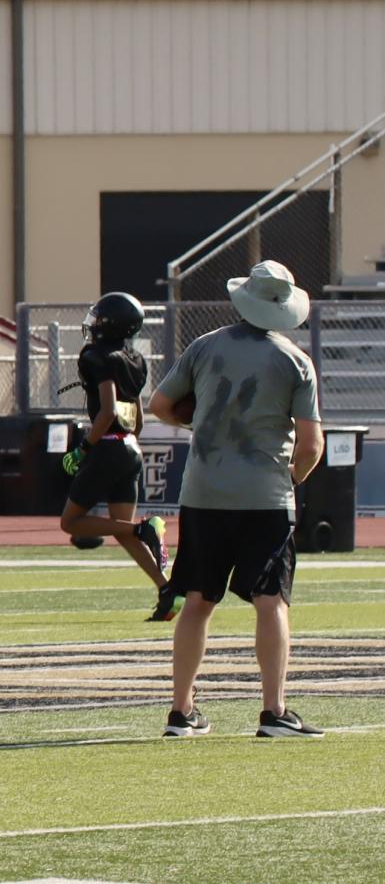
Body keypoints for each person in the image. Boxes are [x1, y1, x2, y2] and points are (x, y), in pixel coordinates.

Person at [149, 260, 326, 740]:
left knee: (198, 601)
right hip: (265, 495)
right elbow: (310, 446)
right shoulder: (295, 362)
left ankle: (181, 711)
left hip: (204, 490)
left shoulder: (205, 347)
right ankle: (274, 711)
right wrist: (292, 478)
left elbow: (159, 405)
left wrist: (205, 424)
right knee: (271, 602)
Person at [57, 292, 171, 616]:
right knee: (120, 527)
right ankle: (167, 589)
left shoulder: (95, 355)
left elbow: (106, 410)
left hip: (106, 445)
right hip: (130, 447)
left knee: (72, 523)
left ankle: (144, 529)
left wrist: (84, 449)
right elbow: (136, 418)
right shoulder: (135, 359)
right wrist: (125, 445)